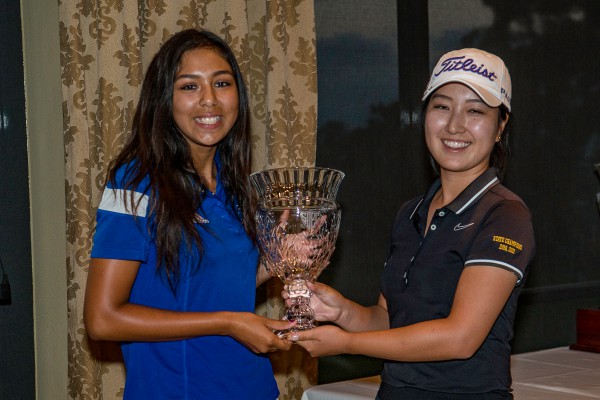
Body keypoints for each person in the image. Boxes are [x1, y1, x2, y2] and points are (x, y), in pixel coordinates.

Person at [287, 48, 535, 399]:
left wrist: (347, 343)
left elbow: (461, 338)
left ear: (500, 127)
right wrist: (341, 311)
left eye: (475, 111)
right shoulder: (411, 212)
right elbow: (389, 320)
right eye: (442, 106)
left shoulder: (505, 215)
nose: (454, 125)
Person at [83, 28, 295, 400]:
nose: (210, 101)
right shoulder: (133, 183)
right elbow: (102, 319)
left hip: (254, 388)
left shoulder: (236, 185)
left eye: (222, 83)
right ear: (164, 98)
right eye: (189, 86)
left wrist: (280, 257)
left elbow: (217, 286)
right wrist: (229, 323)